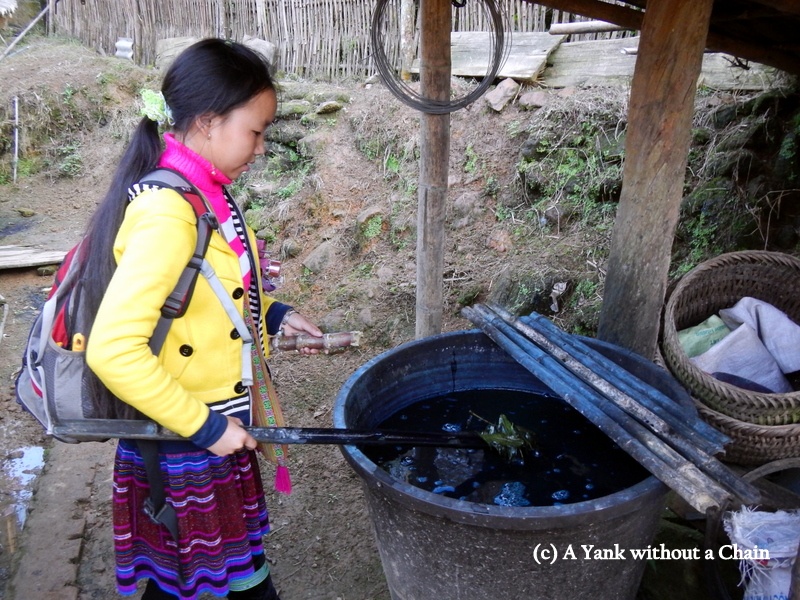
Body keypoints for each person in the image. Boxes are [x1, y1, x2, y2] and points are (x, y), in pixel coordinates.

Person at [84, 38, 322, 599]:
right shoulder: (168, 212)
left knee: (204, 584)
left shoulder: (205, 192)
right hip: (184, 439)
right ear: (208, 122)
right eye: (256, 130)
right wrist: (210, 428)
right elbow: (112, 350)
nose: (261, 148)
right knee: (212, 587)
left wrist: (273, 315)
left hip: (209, 429)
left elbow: (200, 295)